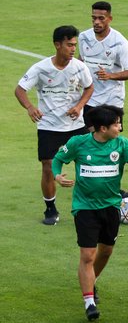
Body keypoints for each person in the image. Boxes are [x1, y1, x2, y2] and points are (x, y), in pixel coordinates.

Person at [52, 105, 128, 321]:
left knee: (106, 251)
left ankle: (91, 280)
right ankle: (89, 301)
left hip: (110, 207)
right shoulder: (78, 143)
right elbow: (58, 160)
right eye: (116, 124)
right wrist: (58, 176)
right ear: (102, 128)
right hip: (85, 207)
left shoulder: (122, 144)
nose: (120, 127)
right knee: (88, 255)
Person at [15, 25, 93, 225]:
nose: (73, 49)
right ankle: (50, 209)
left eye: (74, 45)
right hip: (49, 126)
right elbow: (20, 90)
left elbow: (89, 87)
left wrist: (80, 105)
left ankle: (90, 205)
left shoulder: (79, 67)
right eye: (69, 45)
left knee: (88, 164)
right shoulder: (40, 68)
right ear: (58, 45)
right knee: (48, 167)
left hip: (76, 125)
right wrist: (30, 107)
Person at [79, 1, 128, 199]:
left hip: (113, 102)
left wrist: (110, 76)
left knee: (112, 146)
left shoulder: (120, 42)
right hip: (90, 100)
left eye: (101, 18)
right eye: (94, 18)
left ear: (109, 19)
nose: (96, 22)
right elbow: (81, 61)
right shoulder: (84, 37)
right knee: (92, 143)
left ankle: (113, 187)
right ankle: (92, 184)